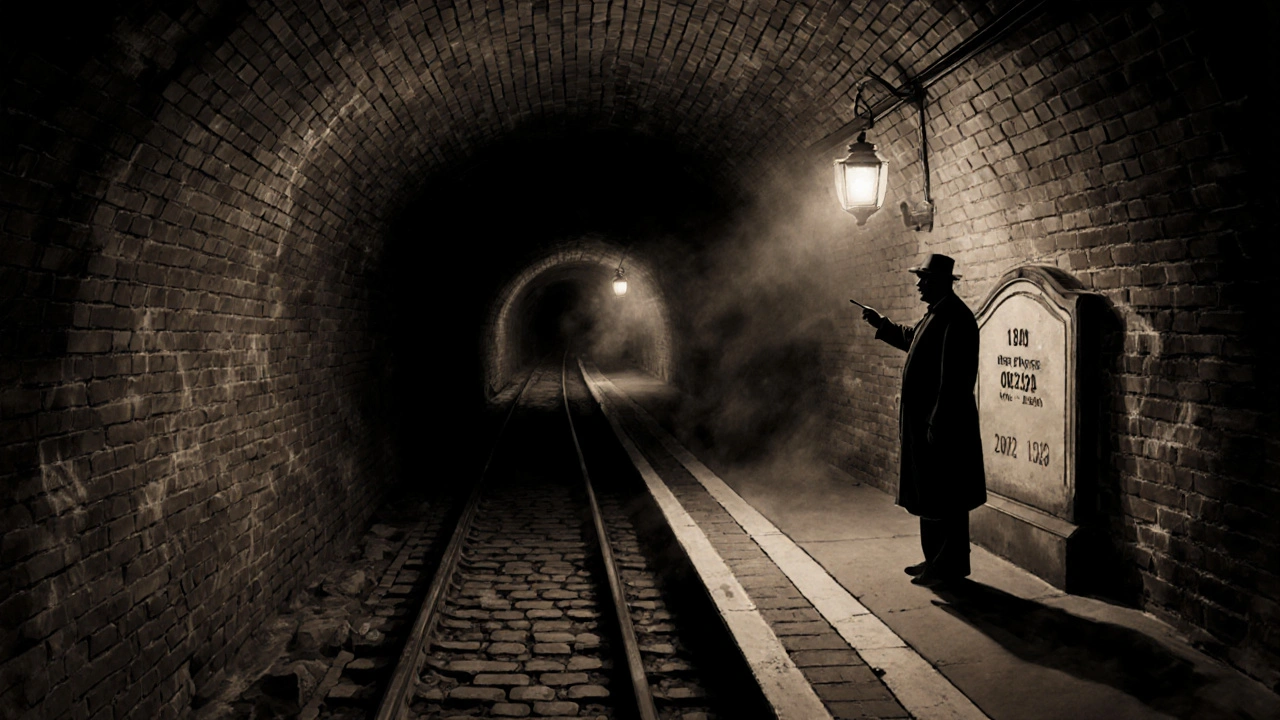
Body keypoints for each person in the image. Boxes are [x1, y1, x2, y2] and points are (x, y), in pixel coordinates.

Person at [860, 254, 986, 586]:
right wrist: (881, 324)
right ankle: (935, 561)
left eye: (925, 279)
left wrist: (937, 422)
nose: (918, 284)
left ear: (942, 283)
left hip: (942, 427)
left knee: (947, 497)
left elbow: (955, 380)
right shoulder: (937, 314)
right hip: (928, 426)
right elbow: (909, 339)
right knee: (930, 493)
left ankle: (948, 566)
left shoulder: (956, 318)